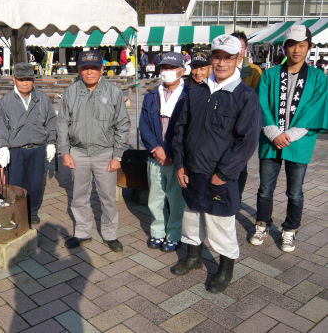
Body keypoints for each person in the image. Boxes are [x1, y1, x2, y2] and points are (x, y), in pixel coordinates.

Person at [170, 35, 261, 293]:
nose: (221, 63)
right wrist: (179, 163)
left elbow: (247, 141)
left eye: (228, 58)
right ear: (211, 59)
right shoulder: (195, 92)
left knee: (220, 223)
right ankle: (194, 256)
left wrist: (224, 173)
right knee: (191, 216)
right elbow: (180, 128)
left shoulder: (245, 96)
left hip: (221, 176)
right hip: (192, 170)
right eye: (217, 57)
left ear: (237, 59)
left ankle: (225, 269)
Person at [250, 25, 328, 252]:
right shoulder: (270, 75)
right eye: (291, 45)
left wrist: (290, 135)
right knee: (265, 188)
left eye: (302, 45)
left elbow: (315, 109)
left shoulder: (317, 77)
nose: (296, 50)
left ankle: (290, 230)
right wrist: (274, 133)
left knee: (295, 191)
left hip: (299, 142)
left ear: (309, 47)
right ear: (284, 48)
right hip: (270, 140)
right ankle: (262, 223)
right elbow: (261, 104)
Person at [58, 50, 130, 252]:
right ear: (79, 69)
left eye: (94, 68)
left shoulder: (113, 92)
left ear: (102, 69)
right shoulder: (70, 93)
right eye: (85, 68)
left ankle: (109, 233)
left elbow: (122, 125)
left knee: (107, 197)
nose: (89, 72)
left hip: (104, 154)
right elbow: (62, 124)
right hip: (78, 153)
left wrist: (117, 156)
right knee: (79, 195)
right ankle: (82, 232)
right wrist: (64, 152)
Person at [0, 63, 57, 225]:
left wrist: (51, 142)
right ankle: (17, 211)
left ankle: (33, 210)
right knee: (15, 184)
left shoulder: (42, 99)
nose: (25, 83)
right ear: (14, 79)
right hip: (16, 150)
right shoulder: (5, 102)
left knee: (35, 182)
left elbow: (51, 122)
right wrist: (2, 147)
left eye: (28, 79)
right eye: (21, 79)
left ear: (33, 80)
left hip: (38, 148)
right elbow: (0, 127)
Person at [139, 52, 189, 252]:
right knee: (155, 197)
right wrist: (156, 149)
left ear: (182, 71)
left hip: (177, 159)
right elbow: (143, 126)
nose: (167, 72)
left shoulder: (189, 96)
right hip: (156, 156)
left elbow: (189, 130)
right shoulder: (151, 95)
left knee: (176, 200)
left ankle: (174, 234)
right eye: (164, 68)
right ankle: (157, 232)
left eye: (172, 68)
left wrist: (172, 152)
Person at [232, 31, 263, 200]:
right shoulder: (219, 68)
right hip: (222, 126)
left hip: (243, 126)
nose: (237, 50)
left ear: (245, 49)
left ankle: (236, 198)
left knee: (240, 164)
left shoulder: (254, 71)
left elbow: (258, 100)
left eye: (241, 47)